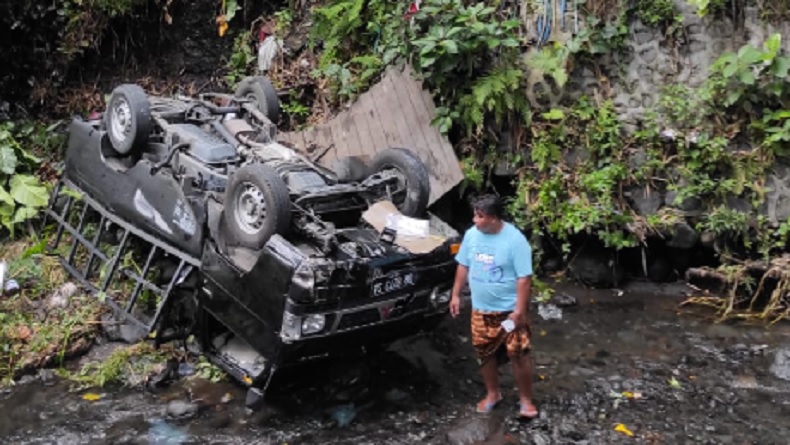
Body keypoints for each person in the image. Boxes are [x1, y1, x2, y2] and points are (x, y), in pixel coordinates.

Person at [449, 194, 538, 419]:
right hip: (481, 309)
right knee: (484, 353)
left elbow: (524, 278)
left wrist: (519, 311)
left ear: (494, 218)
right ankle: (493, 394)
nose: (474, 220)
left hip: (509, 311)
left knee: (518, 353)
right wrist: (456, 295)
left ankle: (526, 401)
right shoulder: (471, 235)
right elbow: (463, 264)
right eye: (475, 215)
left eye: (480, 216)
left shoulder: (515, 240)